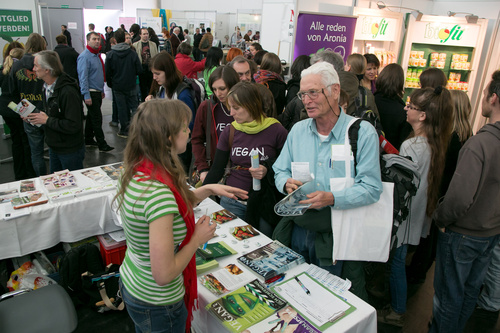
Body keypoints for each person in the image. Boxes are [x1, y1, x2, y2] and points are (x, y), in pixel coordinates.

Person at [114, 99, 247, 333]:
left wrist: (207, 189)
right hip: (158, 301)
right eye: (184, 127)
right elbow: (164, 274)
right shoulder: (158, 194)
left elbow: (170, 206)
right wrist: (197, 238)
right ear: (167, 137)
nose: (188, 131)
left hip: (134, 282)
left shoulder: (136, 169)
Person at [272, 61, 382, 297]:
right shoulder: (298, 131)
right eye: (303, 94)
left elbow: (372, 188)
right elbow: (279, 170)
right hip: (298, 231)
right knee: (295, 293)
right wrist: (285, 183)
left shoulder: (361, 133)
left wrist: (332, 198)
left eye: (313, 92)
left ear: (335, 91)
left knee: (328, 299)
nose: (306, 100)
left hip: (338, 236)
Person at [429, 70, 500, 333]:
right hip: (490, 233)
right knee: (469, 291)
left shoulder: (480, 144)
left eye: (484, 94)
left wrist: (440, 218)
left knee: (448, 296)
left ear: (493, 98)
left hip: (463, 235)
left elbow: (459, 198)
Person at [377, 86, 453, 327]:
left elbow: (403, 184)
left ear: (423, 115)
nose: (405, 108)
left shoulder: (414, 145)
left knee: (397, 264)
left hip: (405, 217)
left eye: (411, 106)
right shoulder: (433, 141)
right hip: (418, 215)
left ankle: (398, 310)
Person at [203, 82, 288, 237]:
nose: (231, 113)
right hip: (232, 201)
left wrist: (267, 169)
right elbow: (217, 169)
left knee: (262, 247)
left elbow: (287, 166)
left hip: (264, 203)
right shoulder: (231, 130)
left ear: (251, 105)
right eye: (230, 107)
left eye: (236, 107)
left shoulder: (277, 130)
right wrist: (197, 197)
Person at [27, 50, 84, 172]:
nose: (33, 69)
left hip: (69, 150)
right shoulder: (46, 87)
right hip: (54, 146)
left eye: (36, 65)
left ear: (47, 69)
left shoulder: (68, 92)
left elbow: (73, 124)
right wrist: (34, 117)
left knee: (73, 186)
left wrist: (47, 120)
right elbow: (51, 113)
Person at [147, 52, 196, 171]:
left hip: (180, 147)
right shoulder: (162, 89)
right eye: (153, 73)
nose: (154, 77)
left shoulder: (182, 94)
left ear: (167, 71)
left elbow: (190, 123)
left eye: (157, 73)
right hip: (167, 145)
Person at [8, 32, 47, 176]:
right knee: (55, 150)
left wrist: (22, 112)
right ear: (43, 45)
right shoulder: (46, 63)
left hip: (28, 112)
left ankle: (41, 179)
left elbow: (13, 93)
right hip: (46, 111)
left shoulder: (17, 65)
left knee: (35, 152)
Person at [192, 65, 239, 183]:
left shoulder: (244, 107)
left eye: (222, 88)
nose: (218, 93)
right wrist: (202, 168)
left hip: (239, 172)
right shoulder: (206, 107)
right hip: (213, 169)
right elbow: (196, 139)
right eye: (214, 89)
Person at [0, 46, 36, 180]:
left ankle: (19, 174)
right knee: (25, 140)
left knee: (16, 141)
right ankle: (29, 174)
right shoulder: (19, 70)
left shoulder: (3, 70)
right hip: (17, 107)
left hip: (5, 108)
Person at [77, 32, 114, 152]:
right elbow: (83, 77)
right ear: (88, 41)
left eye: (98, 39)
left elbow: (98, 75)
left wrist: (102, 90)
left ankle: (88, 139)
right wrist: (86, 95)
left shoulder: (96, 56)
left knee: (91, 118)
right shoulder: (85, 57)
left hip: (97, 91)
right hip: (91, 92)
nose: (97, 41)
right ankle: (101, 143)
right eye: (94, 39)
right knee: (97, 119)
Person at [105, 28, 142, 138]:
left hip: (117, 86)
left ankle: (125, 130)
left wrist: (111, 83)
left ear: (115, 40)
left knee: (122, 108)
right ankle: (136, 128)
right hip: (131, 84)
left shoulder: (111, 55)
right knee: (134, 106)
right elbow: (139, 70)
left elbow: (107, 72)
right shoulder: (132, 53)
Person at [374, 63, 412, 150]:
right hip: (391, 155)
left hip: (370, 150)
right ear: (400, 83)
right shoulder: (402, 110)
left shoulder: (372, 100)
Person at [133, 28, 159, 102]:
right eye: (144, 34)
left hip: (151, 69)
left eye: (147, 34)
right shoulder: (135, 45)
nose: (146, 35)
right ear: (140, 35)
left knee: (152, 88)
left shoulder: (153, 44)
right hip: (142, 70)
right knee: (143, 89)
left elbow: (156, 56)